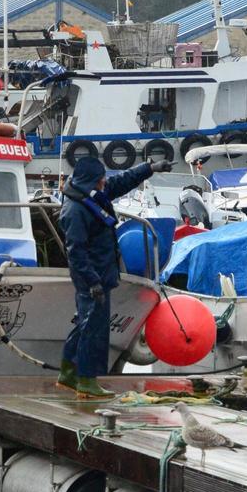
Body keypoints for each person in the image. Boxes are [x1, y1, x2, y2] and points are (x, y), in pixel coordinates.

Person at [58, 154, 172, 398]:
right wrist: (93, 282)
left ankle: (67, 373)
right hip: (92, 278)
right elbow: (76, 252)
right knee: (94, 329)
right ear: (90, 181)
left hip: (100, 273)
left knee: (84, 324)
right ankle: (87, 381)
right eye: (100, 180)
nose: (103, 184)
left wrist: (149, 168)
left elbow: (121, 182)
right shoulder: (75, 210)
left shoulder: (89, 193)